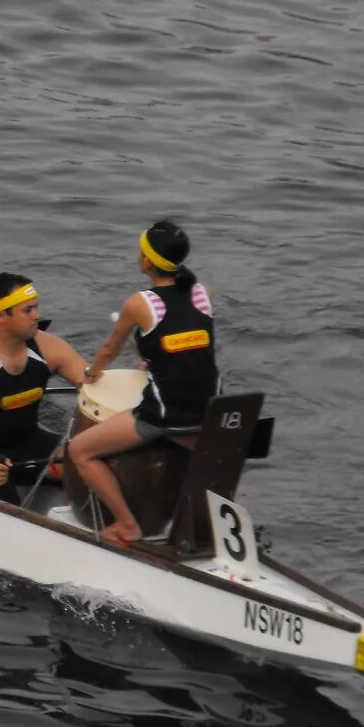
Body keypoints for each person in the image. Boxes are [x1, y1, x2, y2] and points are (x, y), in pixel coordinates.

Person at [68, 220, 219, 546]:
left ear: (148, 261)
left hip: (167, 416)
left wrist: (90, 375)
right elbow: (190, 342)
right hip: (210, 411)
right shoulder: (203, 294)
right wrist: (156, 360)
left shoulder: (140, 303)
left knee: (80, 451)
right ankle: (203, 527)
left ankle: (127, 525)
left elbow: (110, 349)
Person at [0, 274, 89, 496]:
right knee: (7, 500)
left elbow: (91, 383)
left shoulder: (49, 347)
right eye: (27, 310)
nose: (37, 316)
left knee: (87, 464)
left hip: (30, 443)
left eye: (36, 308)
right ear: (2, 315)